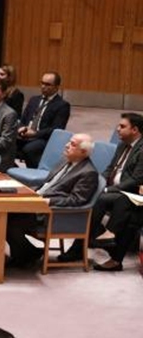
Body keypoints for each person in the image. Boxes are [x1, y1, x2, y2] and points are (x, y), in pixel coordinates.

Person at [5, 133, 99, 267]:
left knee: (8, 220)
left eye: (72, 144)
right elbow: (47, 185)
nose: (67, 145)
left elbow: (76, 200)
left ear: (83, 151)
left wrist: (48, 202)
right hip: (36, 202)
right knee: (3, 213)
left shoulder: (88, 173)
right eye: (68, 142)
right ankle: (28, 252)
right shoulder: (65, 160)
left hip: (51, 214)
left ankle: (27, 254)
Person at [63, 112, 143, 271]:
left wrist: (107, 189)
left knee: (100, 200)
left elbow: (135, 180)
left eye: (122, 126)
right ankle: (96, 238)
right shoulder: (122, 145)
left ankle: (93, 241)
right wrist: (98, 183)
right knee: (94, 194)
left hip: (131, 193)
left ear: (135, 130)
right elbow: (109, 169)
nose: (117, 129)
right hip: (117, 192)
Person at [16, 72, 70, 168]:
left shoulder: (62, 105)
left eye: (47, 84)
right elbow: (23, 119)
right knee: (7, 143)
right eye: (42, 83)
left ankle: (35, 173)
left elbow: (56, 129)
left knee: (29, 149)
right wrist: (21, 128)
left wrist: (35, 134)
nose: (43, 86)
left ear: (57, 87)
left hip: (44, 138)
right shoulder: (34, 100)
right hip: (25, 135)